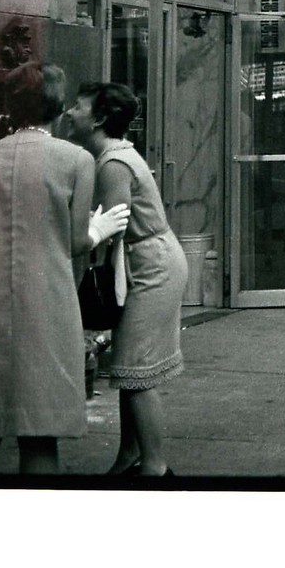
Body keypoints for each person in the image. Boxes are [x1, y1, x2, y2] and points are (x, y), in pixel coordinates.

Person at [0, 62, 130, 476]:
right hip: (46, 307)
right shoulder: (76, 160)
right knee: (39, 436)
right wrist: (98, 229)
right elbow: (74, 243)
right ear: (56, 105)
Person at [64, 82, 187, 477]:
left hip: (150, 265)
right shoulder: (111, 155)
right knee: (132, 368)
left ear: (98, 119)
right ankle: (130, 457)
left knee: (136, 370)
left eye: (77, 107)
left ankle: (155, 467)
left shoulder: (112, 163)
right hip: (146, 260)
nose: (68, 112)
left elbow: (109, 226)